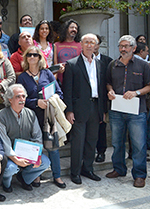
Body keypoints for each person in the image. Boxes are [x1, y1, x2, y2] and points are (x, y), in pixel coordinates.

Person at [17, 46, 66, 188]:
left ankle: (57, 176)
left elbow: (59, 92)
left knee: (53, 146)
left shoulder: (47, 73)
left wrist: (53, 98)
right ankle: (36, 175)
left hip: (48, 116)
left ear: (40, 58)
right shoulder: (23, 77)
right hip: (32, 116)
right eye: (29, 55)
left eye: (35, 55)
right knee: (35, 146)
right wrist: (36, 103)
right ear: (26, 58)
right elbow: (20, 100)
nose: (32, 57)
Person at [106, 35, 150, 188]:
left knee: (139, 144)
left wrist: (136, 92)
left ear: (134, 48)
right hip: (117, 110)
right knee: (117, 142)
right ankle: (119, 169)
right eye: (121, 46)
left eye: (126, 46)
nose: (123, 49)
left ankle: (139, 175)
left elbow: (149, 86)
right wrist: (110, 91)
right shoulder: (113, 64)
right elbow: (108, 83)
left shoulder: (143, 65)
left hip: (137, 111)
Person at [63, 33, 106, 185]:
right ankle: (75, 172)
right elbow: (67, 90)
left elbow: (102, 88)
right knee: (78, 142)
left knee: (91, 140)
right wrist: (69, 110)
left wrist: (103, 111)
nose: (89, 45)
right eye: (86, 42)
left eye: (92, 42)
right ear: (81, 44)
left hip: (96, 107)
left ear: (96, 45)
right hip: (79, 108)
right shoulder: (72, 64)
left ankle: (87, 168)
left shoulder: (100, 64)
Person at [0, 84, 51, 192]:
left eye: (23, 96)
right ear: (10, 99)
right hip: (10, 155)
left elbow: (37, 137)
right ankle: (6, 183)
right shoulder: (0, 116)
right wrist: (15, 158)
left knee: (45, 162)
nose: (22, 99)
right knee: (10, 168)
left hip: (27, 152)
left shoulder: (31, 114)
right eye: (18, 97)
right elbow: (5, 143)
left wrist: (37, 156)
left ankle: (25, 179)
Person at [94, 35, 113, 163]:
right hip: (87, 100)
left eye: (95, 43)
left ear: (99, 44)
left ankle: (101, 152)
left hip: (102, 99)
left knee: (101, 126)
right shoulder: (80, 61)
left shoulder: (108, 61)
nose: (92, 46)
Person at [54, 19, 82, 84]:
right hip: (60, 80)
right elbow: (54, 63)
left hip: (75, 79)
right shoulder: (56, 45)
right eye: (72, 27)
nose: (74, 29)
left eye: (76, 28)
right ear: (66, 29)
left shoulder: (80, 45)